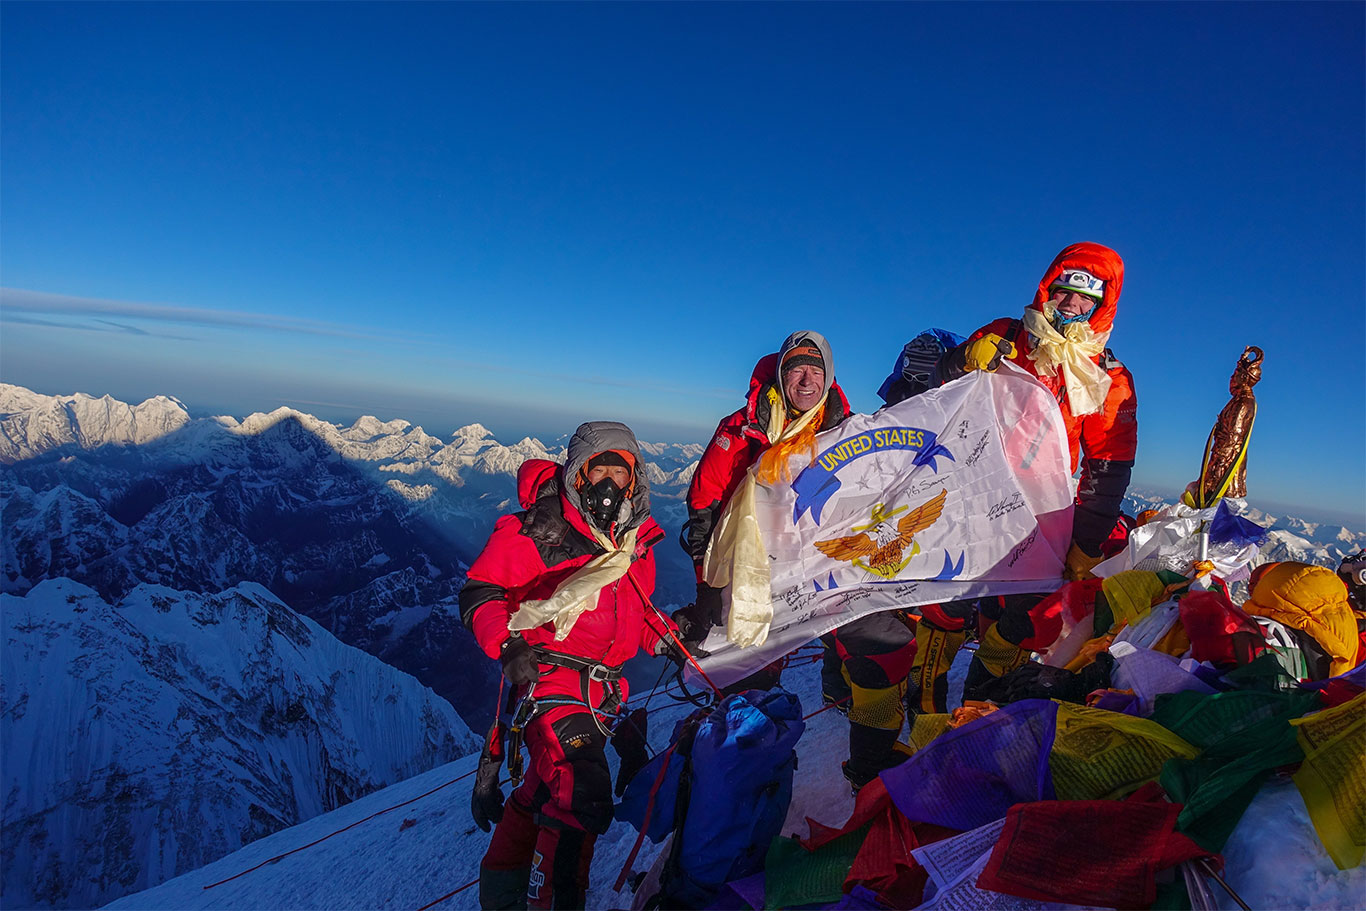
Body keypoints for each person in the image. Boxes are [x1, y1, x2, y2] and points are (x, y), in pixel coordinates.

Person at [459, 421, 681, 910]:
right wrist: (507, 644)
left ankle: (503, 890)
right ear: (577, 474)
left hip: (602, 691)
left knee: (544, 788)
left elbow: (636, 612)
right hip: (549, 676)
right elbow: (480, 592)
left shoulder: (633, 540)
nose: (607, 484)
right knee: (581, 786)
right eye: (596, 469)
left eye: (618, 473)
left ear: (634, 479)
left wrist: (666, 637)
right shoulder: (541, 529)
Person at [908, 242, 1138, 710]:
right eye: (1063, 292)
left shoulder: (1108, 377)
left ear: (1101, 305)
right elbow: (936, 393)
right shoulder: (1004, 336)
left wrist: (1087, 543)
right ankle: (924, 717)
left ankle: (977, 715)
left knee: (1016, 627)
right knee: (943, 613)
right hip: (964, 501)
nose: (1071, 305)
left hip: (1039, 519)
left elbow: (1108, 466)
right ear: (1047, 289)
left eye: (1085, 299)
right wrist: (959, 360)